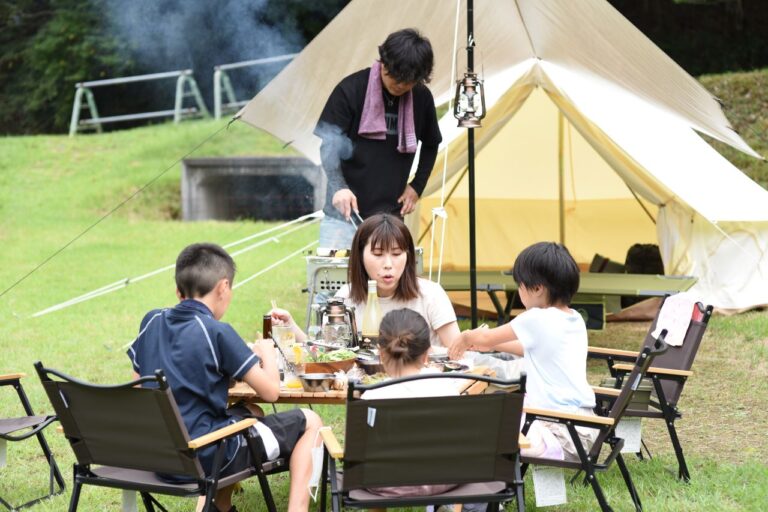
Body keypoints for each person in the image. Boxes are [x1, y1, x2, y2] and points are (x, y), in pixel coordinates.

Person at [127, 243, 322, 512]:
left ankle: (220, 507)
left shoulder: (151, 320)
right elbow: (271, 393)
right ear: (223, 287)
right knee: (311, 421)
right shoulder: (217, 332)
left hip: (159, 456)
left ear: (177, 290)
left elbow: (139, 383)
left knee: (250, 410)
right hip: (205, 456)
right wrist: (265, 351)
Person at [449, 242, 597, 461]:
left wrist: (465, 337)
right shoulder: (573, 318)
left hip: (559, 434)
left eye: (520, 285)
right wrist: (492, 345)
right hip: (585, 432)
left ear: (537, 288)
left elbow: (486, 337)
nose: (518, 291)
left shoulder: (537, 317)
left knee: (482, 422)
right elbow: (528, 349)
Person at [314, 28, 442, 248]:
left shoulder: (421, 97)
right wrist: (338, 186)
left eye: (408, 82)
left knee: (386, 282)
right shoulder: (351, 90)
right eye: (395, 77)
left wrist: (417, 186)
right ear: (383, 62)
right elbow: (329, 145)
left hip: (390, 219)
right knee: (337, 282)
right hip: (342, 217)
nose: (400, 85)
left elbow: (431, 143)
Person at [272, 213, 460, 347]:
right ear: (359, 256)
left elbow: (459, 352)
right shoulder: (345, 297)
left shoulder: (430, 294)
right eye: (377, 254)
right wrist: (291, 326)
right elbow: (326, 353)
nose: (388, 264)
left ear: (408, 256)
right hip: (367, 394)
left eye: (396, 254)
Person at [361, 308, 459, 499]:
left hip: (386, 485)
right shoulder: (447, 385)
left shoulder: (373, 395)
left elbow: (362, 448)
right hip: (446, 480)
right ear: (426, 355)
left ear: (381, 354)